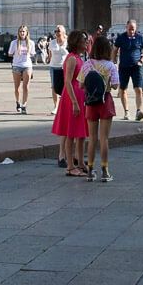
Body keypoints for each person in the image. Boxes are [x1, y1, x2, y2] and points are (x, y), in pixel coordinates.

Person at [51, 29, 88, 174]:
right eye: (83, 40)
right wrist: (74, 102)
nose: (86, 42)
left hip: (79, 96)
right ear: (77, 42)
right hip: (72, 97)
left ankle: (80, 162)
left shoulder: (78, 58)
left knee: (80, 133)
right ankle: (70, 166)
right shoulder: (72, 58)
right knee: (71, 133)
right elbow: (67, 81)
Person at [82, 35, 118, 182]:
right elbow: (115, 86)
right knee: (104, 139)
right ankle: (105, 171)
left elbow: (80, 85)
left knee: (92, 139)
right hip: (105, 101)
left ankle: (90, 171)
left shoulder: (87, 64)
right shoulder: (111, 66)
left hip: (91, 102)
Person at [113, 20, 143, 121]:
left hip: (136, 67)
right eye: (130, 29)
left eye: (133, 29)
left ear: (136, 28)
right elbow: (114, 49)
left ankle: (138, 111)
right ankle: (126, 112)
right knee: (123, 89)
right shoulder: (121, 37)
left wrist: (141, 60)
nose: (132, 31)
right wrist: (113, 60)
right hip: (124, 67)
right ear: (126, 27)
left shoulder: (140, 38)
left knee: (138, 89)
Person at [8, 25, 34, 114]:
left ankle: (24, 105)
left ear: (27, 33)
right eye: (20, 31)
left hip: (27, 66)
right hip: (16, 66)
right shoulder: (14, 43)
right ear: (18, 33)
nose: (22, 33)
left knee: (26, 87)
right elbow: (10, 54)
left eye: (24, 31)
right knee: (17, 87)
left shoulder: (31, 43)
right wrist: (17, 54)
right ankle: (18, 102)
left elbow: (32, 54)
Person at [46, 25, 68, 116]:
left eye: (58, 31)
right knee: (54, 87)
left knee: (65, 87)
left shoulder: (68, 42)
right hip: (53, 67)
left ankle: (65, 106)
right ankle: (56, 106)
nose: (57, 33)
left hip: (64, 67)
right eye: (56, 31)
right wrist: (48, 59)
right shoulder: (52, 42)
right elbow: (50, 54)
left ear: (63, 32)